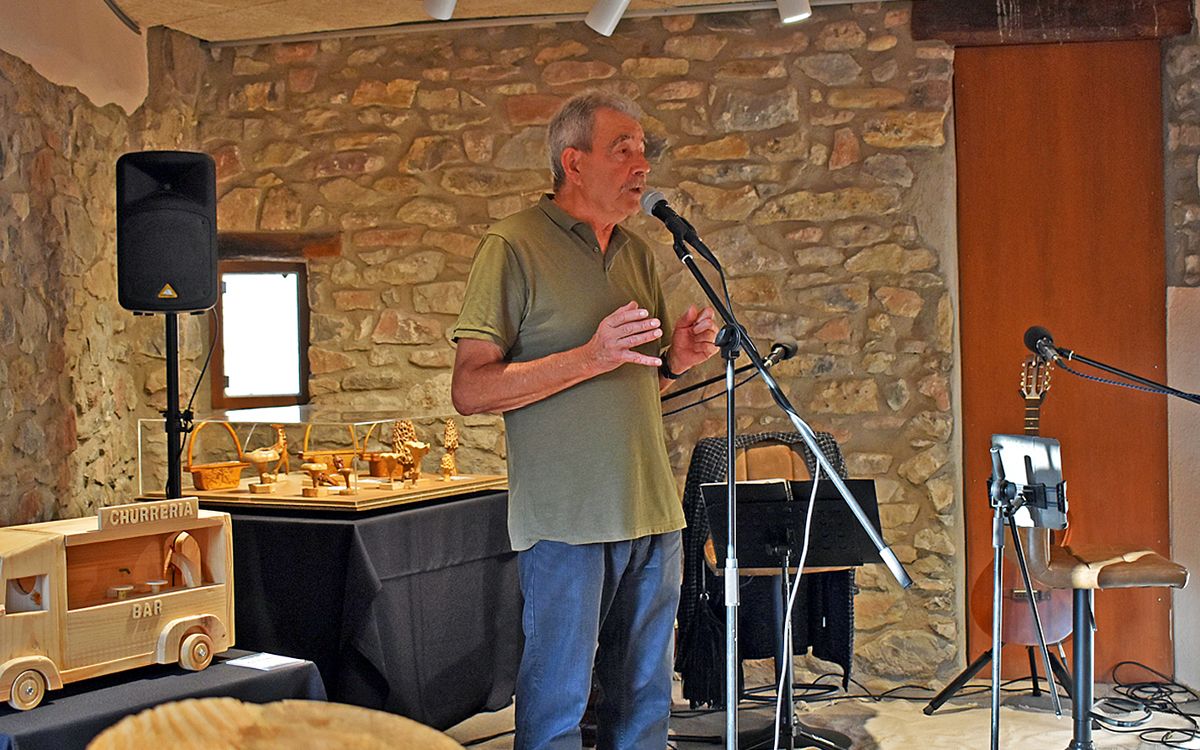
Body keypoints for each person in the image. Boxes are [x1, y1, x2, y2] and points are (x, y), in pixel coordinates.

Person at [450, 91, 719, 750]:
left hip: (654, 512)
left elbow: (633, 386)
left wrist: (677, 363)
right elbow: (471, 389)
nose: (642, 164)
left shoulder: (637, 255)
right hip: (566, 519)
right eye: (622, 148)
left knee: (647, 703)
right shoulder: (511, 245)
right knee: (557, 706)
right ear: (573, 162)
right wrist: (589, 355)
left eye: (644, 150)